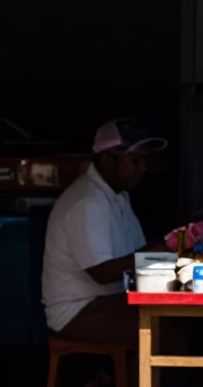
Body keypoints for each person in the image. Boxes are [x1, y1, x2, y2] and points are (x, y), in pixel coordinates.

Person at [42, 120, 172, 349]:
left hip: (110, 300)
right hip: (80, 309)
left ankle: (109, 382)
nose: (142, 168)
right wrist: (162, 252)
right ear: (106, 160)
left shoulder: (118, 196)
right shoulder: (89, 202)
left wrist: (172, 255)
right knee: (164, 329)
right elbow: (102, 272)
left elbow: (136, 258)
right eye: (134, 161)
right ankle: (131, 385)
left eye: (144, 161)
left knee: (181, 320)